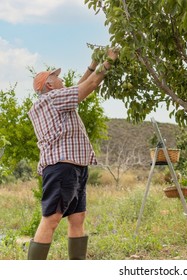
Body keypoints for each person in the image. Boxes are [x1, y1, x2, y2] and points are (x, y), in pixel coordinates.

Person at [27, 48, 119, 260]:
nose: (61, 80)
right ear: (49, 85)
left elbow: (80, 86)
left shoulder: (55, 100)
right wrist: (108, 61)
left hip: (74, 167)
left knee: (78, 218)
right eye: (56, 77)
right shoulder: (54, 99)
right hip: (62, 168)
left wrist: (93, 64)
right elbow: (90, 85)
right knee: (51, 219)